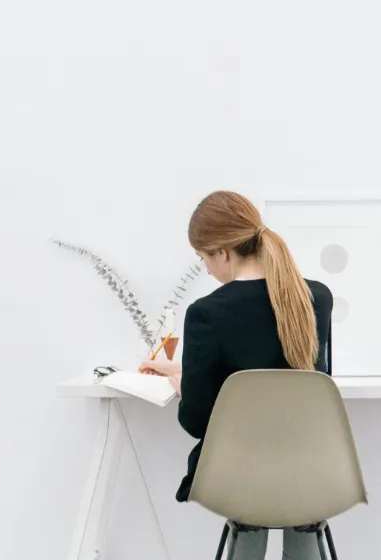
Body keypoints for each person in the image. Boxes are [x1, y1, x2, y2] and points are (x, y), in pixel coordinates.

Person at [140, 191, 333, 560]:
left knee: (249, 472)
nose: (208, 270)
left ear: (223, 253)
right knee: (297, 483)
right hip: (314, 470)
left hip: (239, 475)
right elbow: (310, 382)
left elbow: (197, 421)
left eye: (204, 259)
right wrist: (188, 369)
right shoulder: (317, 298)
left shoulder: (206, 313)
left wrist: (186, 387)